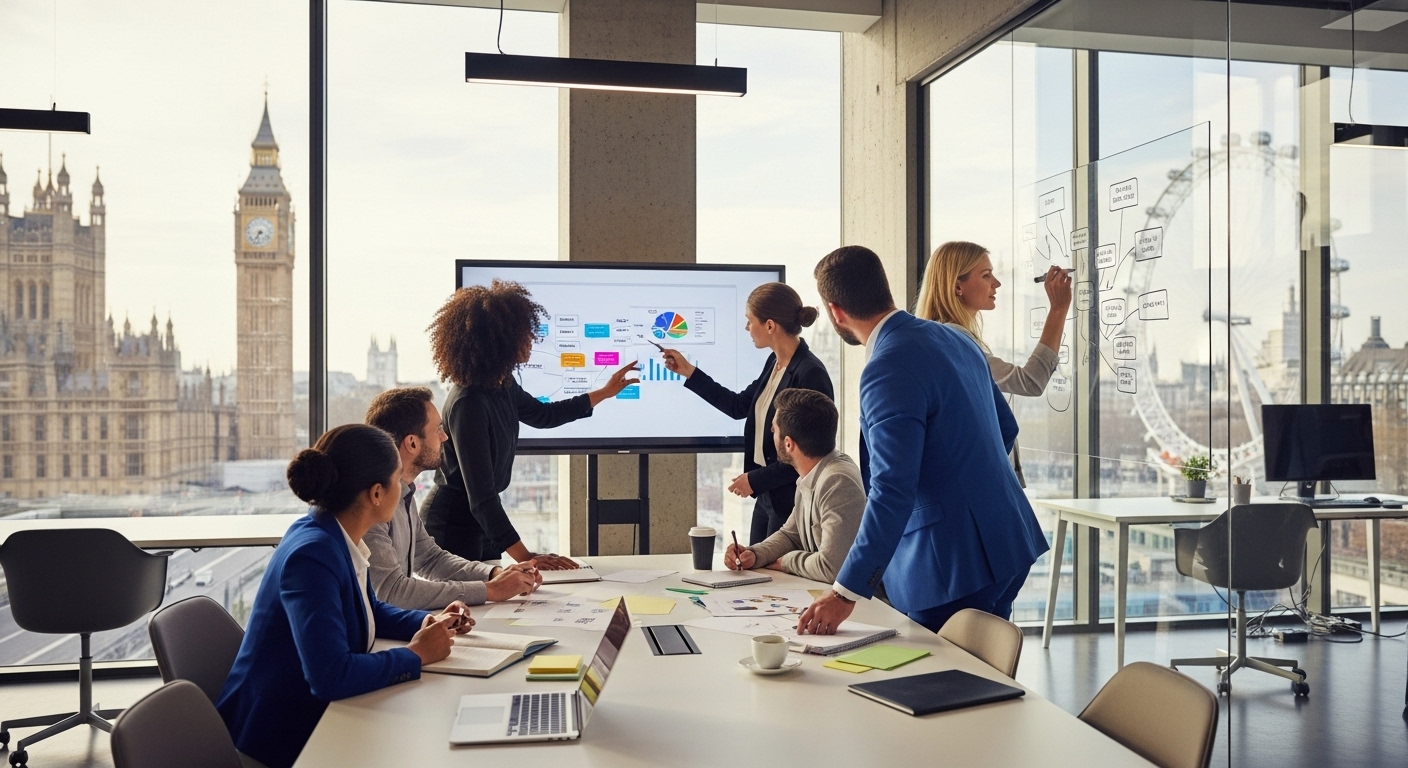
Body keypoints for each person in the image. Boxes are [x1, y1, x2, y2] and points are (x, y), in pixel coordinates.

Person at [794, 245, 1049, 635]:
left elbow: (892, 488)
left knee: (938, 683)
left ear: (835, 311)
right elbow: (1005, 427)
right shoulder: (956, 338)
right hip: (1010, 543)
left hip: (950, 567)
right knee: (981, 677)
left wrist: (844, 594)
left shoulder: (886, 367)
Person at [217, 425, 472, 768]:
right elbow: (331, 676)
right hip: (279, 737)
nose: (404, 487)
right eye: (398, 479)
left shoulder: (330, 532)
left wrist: (428, 621)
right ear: (377, 494)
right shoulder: (313, 555)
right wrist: (416, 655)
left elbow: (370, 610)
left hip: (316, 715)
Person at [421, 280, 638, 564]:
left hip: (482, 523)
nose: (531, 341)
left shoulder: (503, 384)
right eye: (524, 335)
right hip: (453, 525)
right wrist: (527, 558)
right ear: (500, 340)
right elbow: (482, 496)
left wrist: (604, 393)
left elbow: (544, 415)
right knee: (477, 606)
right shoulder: (469, 403)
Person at [659, 282, 834, 544]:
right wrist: (689, 371)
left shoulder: (810, 373)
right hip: (766, 496)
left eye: (749, 321)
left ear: (770, 325)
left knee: (775, 582)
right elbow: (738, 406)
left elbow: (810, 455)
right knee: (756, 575)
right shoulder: (774, 363)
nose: (746, 328)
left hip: (789, 500)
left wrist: (754, 479)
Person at [363, 386, 542, 610]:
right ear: (412, 443)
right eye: (438, 429)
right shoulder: (372, 503)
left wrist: (495, 574)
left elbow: (429, 558)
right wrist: (490, 590)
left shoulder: (404, 491)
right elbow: (390, 591)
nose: (445, 436)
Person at [915, 240, 1073, 485]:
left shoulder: (939, 338)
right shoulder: (955, 343)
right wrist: (1058, 309)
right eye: (986, 275)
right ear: (958, 287)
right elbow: (1031, 382)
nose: (996, 283)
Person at [723, 388, 864, 584]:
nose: (771, 434)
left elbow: (832, 567)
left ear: (788, 444)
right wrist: (754, 554)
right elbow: (791, 535)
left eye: (773, 430)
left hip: (863, 608)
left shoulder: (837, 481)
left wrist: (787, 562)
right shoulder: (812, 472)